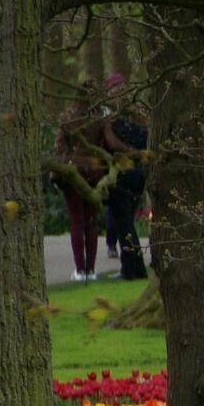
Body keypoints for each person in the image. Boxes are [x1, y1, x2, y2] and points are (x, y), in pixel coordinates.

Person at [51, 81, 132, 282]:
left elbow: (59, 149)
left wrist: (56, 174)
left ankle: (80, 270)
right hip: (95, 173)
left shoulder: (67, 118)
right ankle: (91, 269)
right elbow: (109, 142)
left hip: (72, 174)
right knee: (91, 222)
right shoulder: (99, 118)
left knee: (77, 222)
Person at [101, 75, 150, 281]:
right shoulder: (141, 117)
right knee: (128, 221)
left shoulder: (113, 120)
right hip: (140, 173)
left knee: (123, 223)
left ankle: (129, 269)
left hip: (123, 174)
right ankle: (137, 267)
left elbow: (112, 144)